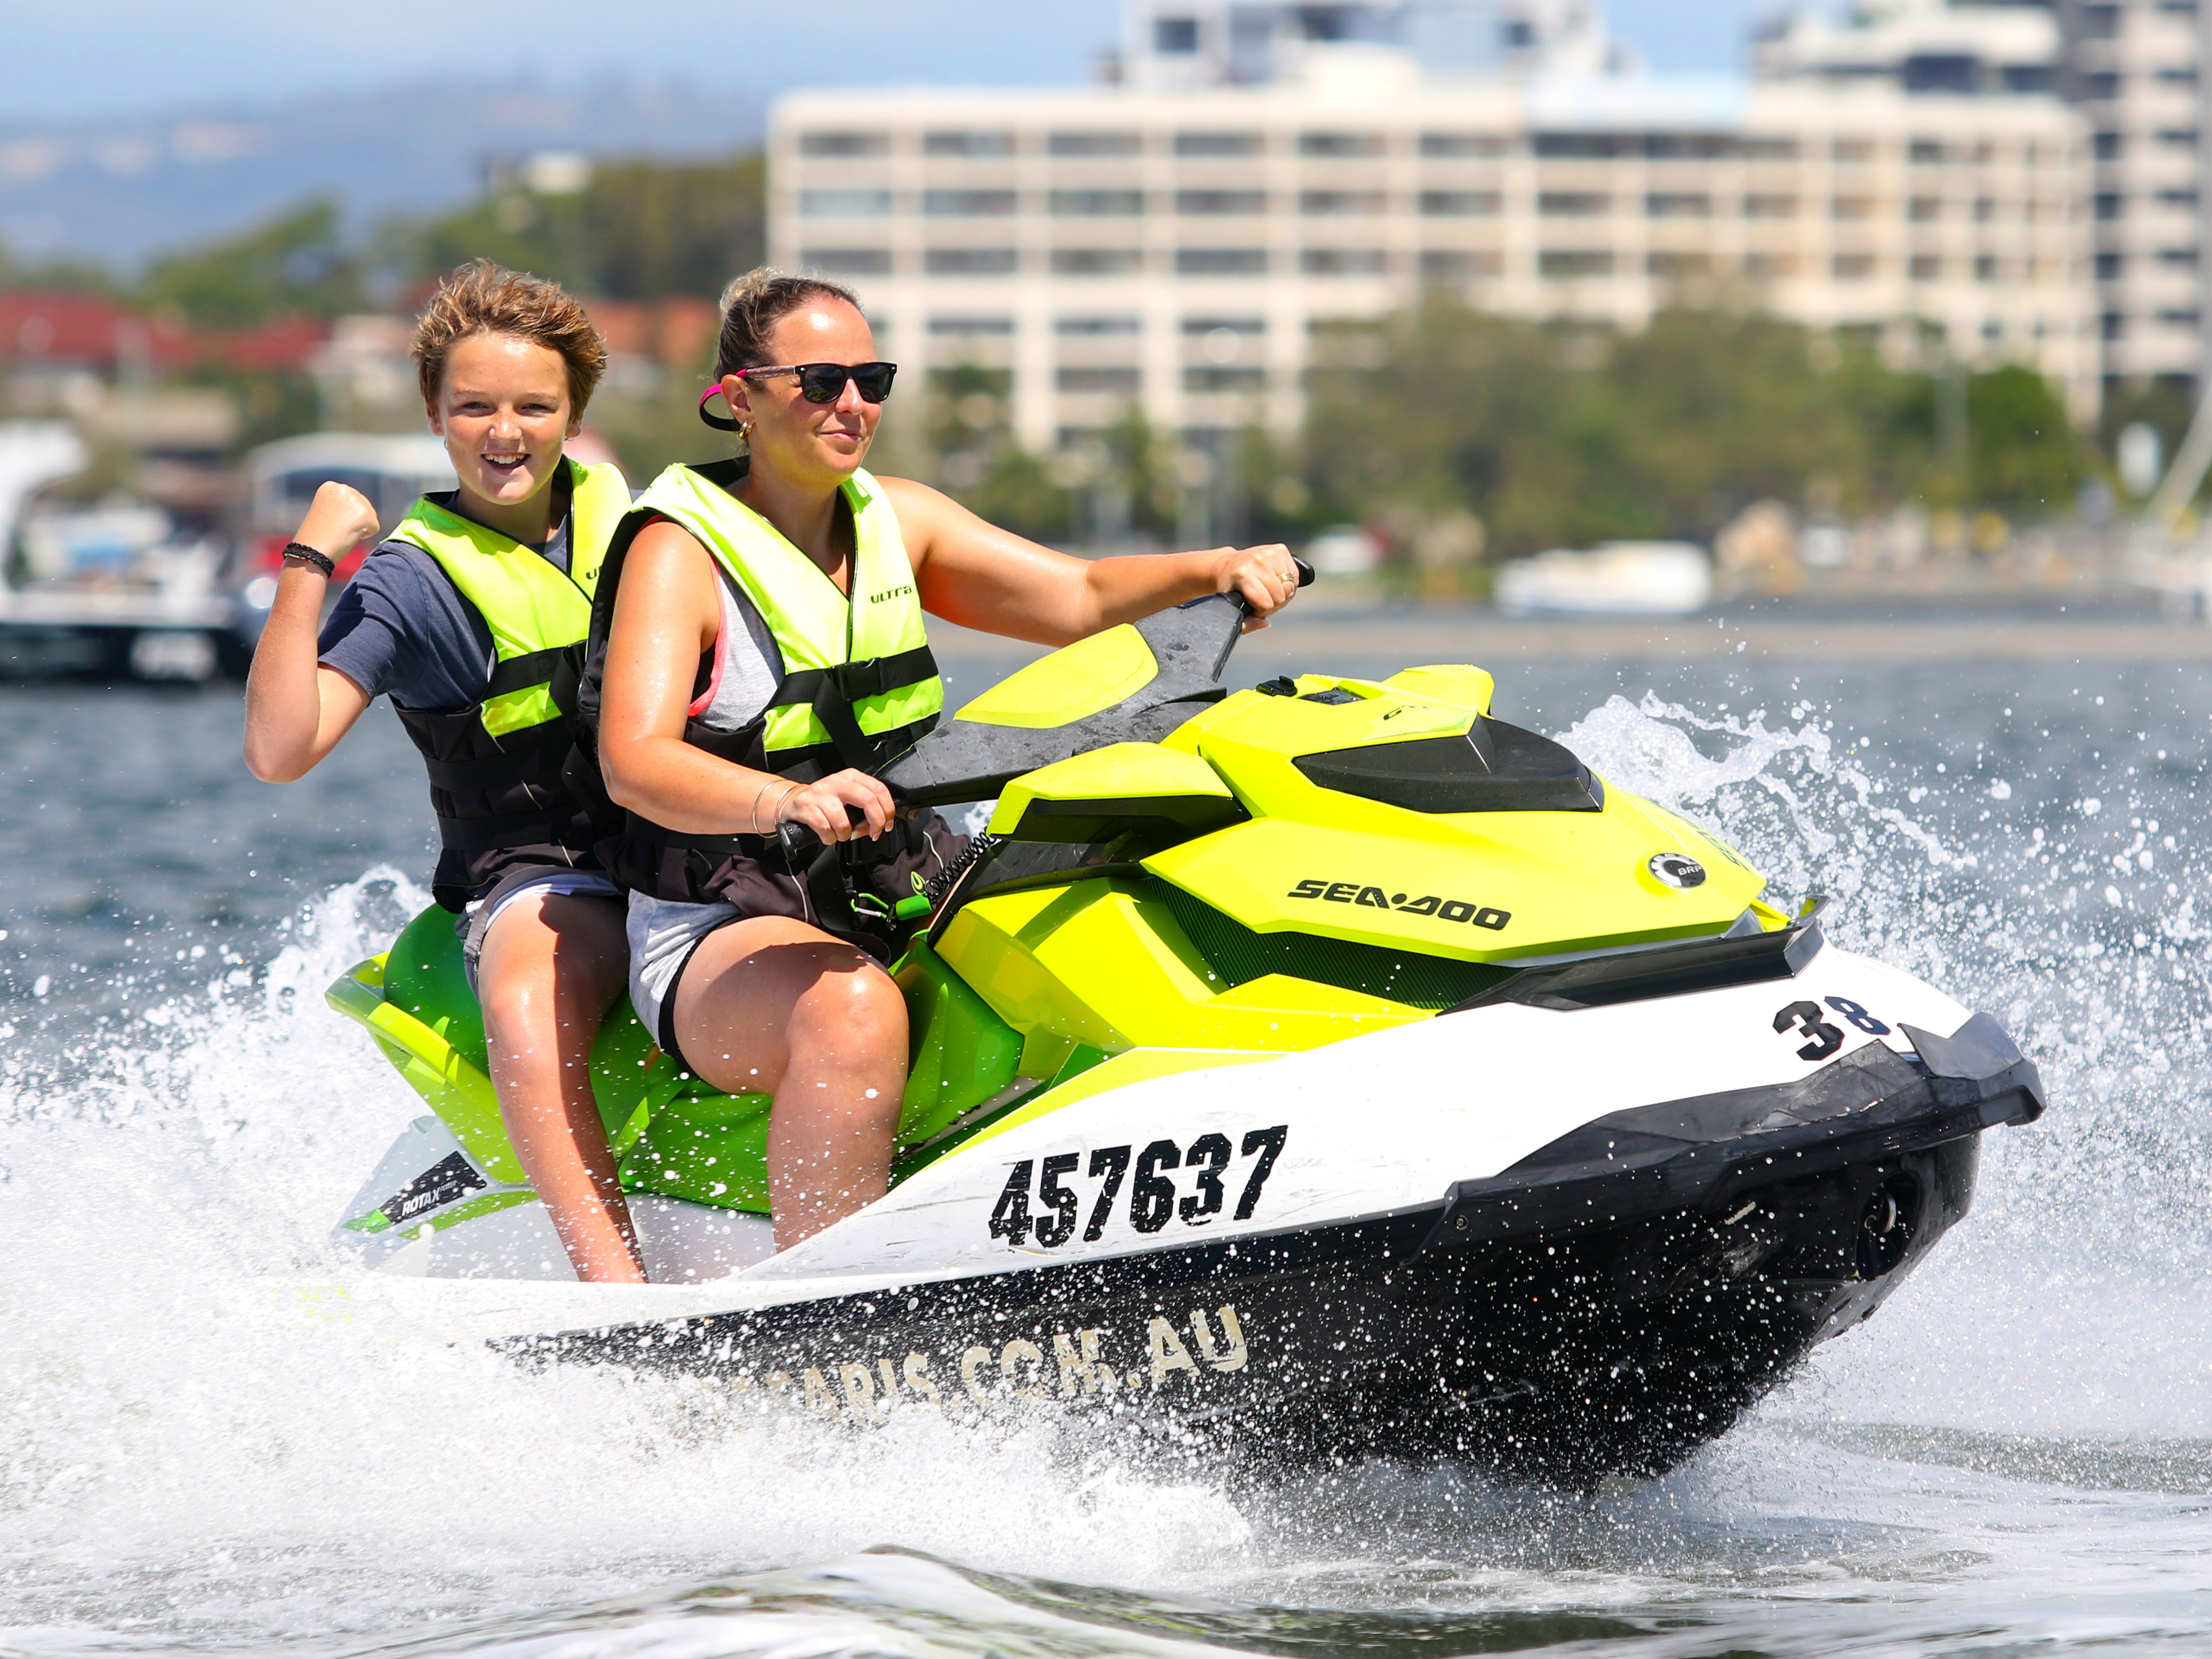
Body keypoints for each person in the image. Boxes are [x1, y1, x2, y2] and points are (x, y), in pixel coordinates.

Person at [588, 268, 1301, 1251]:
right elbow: (634, 761)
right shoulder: (678, 553)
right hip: (718, 918)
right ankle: (825, 1318)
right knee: (850, 1011)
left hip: (894, 879)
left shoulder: (901, 518)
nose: (852, 403)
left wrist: (1214, 569)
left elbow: (1083, 596)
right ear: (740, 397)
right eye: (821, 378)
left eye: (871, 378)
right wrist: (783, 800)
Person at [243, 260, 646, 1284]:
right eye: (474, 407)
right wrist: (307, 562)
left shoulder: (644, 524)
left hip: (688, 843)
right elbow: (281, 750)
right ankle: (618, 1292)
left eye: (532, 406)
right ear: (435, 412)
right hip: (551, 878)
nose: (503, 432)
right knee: (528, 994)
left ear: (574, 415)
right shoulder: (409, 585)